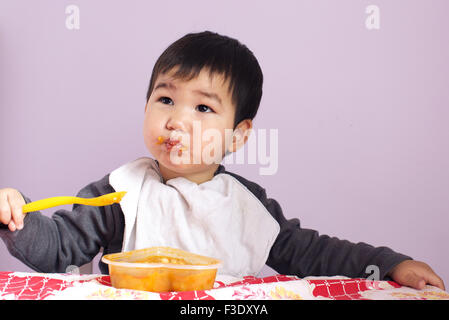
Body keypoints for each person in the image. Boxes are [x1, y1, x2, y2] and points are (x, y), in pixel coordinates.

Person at [0, 31, 444, 290]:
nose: (176, 120)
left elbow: (314, 253)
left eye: (203, 108)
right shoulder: (120, 190)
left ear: (238, 135)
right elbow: (59, 251)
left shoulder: (245, 204)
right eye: (166, 98)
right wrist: (18, 216)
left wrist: (388, 263)